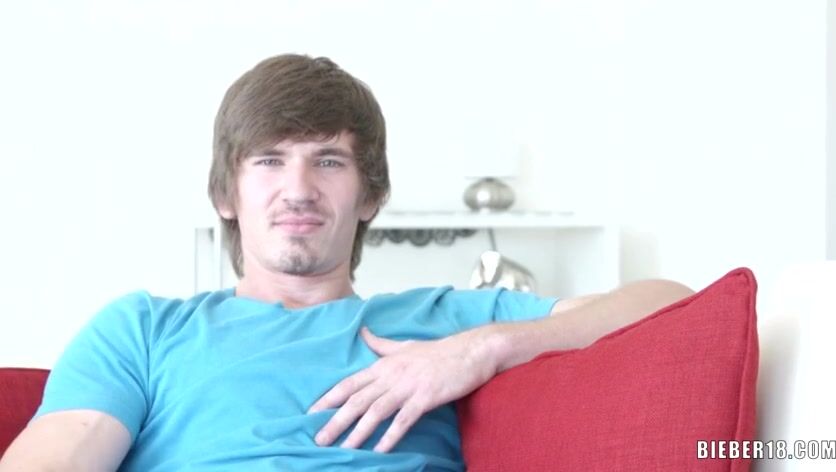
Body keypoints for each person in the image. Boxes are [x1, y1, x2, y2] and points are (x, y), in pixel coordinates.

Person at [0, 54, 694, 471]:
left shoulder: (443, 322)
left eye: (328, 162)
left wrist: (482, 349)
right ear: (224, 195)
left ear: (371, 195)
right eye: (269, 161)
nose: (299, 189)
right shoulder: (142, 331)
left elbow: (673, 306)